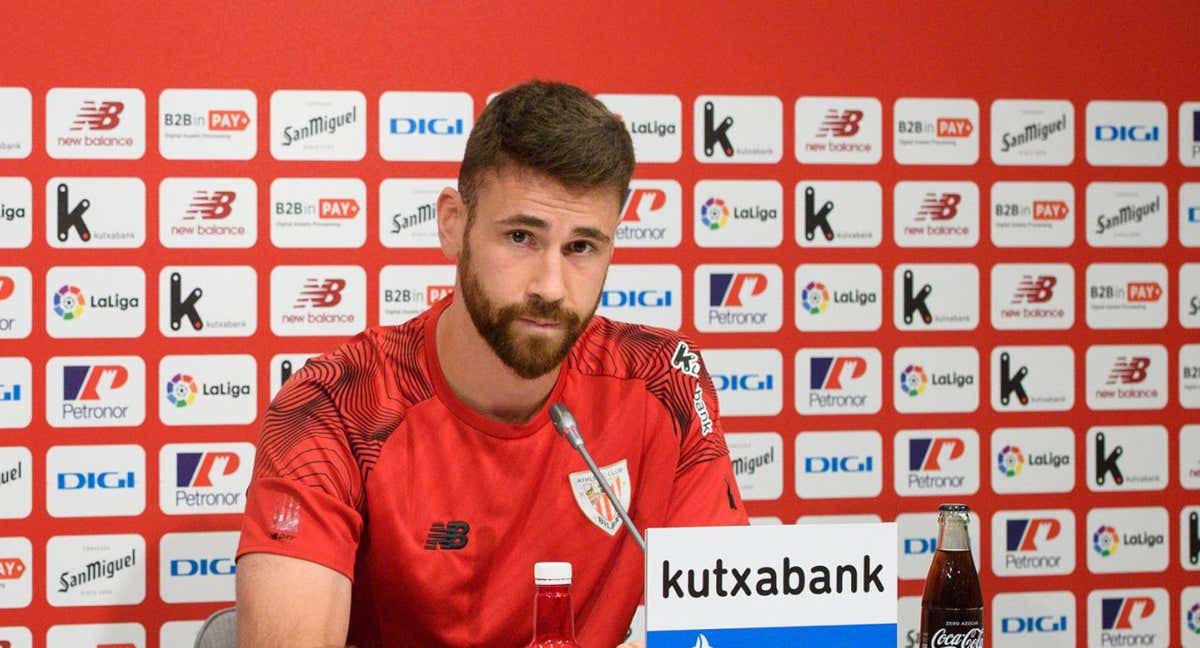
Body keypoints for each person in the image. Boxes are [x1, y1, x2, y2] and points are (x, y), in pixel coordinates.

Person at [235, 80, 748, 648]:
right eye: (522, 237)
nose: (551, 288)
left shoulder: (664, 379)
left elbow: (722, 623)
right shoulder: (335, 405)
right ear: (454, 224)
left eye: (581, 247)